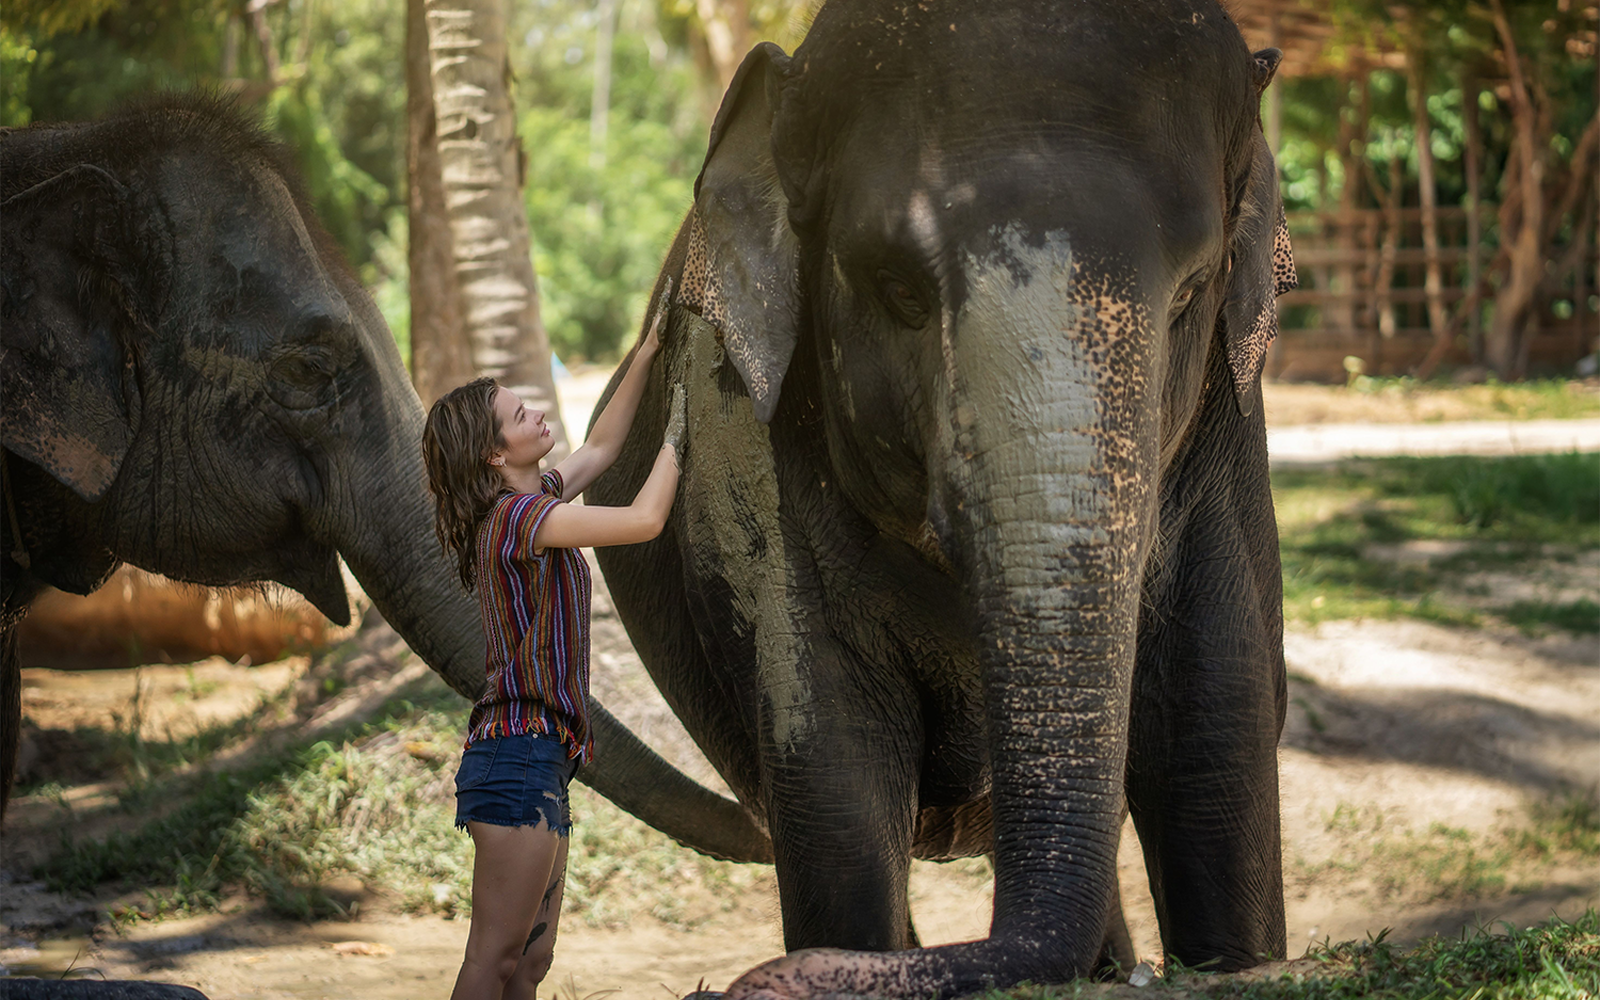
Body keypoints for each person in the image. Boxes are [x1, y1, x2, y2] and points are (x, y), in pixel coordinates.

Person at [421, 284, 684, 1000]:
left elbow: (601, 445)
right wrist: (681, 434)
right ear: (490, 453)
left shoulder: (536, 507)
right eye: (518, 413)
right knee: (495, 957)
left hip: (542, 758)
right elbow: (643, 520)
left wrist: (651, 351)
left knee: (529, 966)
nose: (536, 410)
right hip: (515, 757)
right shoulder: (517, 521)